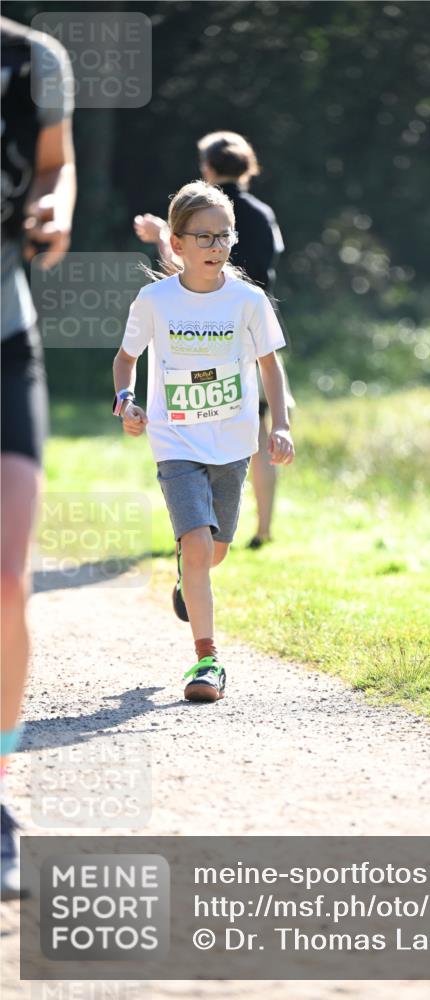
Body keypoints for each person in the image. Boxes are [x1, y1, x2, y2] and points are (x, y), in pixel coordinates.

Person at [113, 180, 294, 703]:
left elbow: (270, 366)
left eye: (224, 236)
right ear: (177, 243)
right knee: (195, 545)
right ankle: (207, 659)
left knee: (213, 553)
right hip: (175, 440)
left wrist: (280, 425)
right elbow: (125, 359)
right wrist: (126, 401)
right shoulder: (155, 300)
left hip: (232, 442)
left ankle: (186, 575)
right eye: (204, 237)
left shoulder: (248, 300)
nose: (217, 246)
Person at [1, 16, 76, 899]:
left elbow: (54, 163)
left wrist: (54, 204)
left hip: (5, 337)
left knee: (6, 581)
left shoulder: (31, 61)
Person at [134, 131, 290, 551]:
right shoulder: (262, 214)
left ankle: (200, 525)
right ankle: (261, 528)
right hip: (256, 331)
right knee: (258, 430)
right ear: (248, 167)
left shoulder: (200, 215)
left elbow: (181, 275)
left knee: (204, 427)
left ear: (206, 168)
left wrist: (163, 236)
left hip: (215, 333)